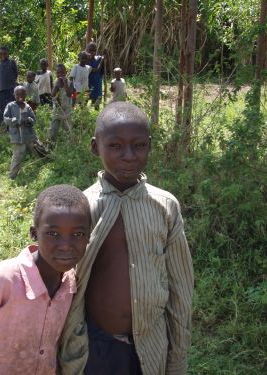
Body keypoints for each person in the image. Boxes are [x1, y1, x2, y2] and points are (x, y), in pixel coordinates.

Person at [58, 102, 194, 374]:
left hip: (150, 346)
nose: (129, 156)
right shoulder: (82, 208)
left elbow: (181, 288)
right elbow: (61, 282)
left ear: (149, 146)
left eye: (139, 145)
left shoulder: (165, 207)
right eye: (116, 146)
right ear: (96, 146)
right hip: (94, 346)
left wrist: (177, 357)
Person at [0, 184, 91, 375]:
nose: (66, 246)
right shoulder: (3, 279)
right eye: (53, 234)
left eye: (77, 234)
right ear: (34, 234)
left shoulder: (70, 285)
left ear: (89, 236)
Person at [3, 86, 37, 180]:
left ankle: (40, 169)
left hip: (29, 135)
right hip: (17, 137)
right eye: (18, 94)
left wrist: (29, 121)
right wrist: (17, 121)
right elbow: (6, 119)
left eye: (23, 94)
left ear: (26, 95)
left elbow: (33, 119)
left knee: (37, 150)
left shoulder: (27, 106)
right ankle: (12, 176)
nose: (20, 96)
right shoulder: (10, 106)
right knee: (17, 156)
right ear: (14, 95)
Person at [48, 64, 72, 144]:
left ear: (66, 73)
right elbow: (52, 94)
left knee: (68, 127)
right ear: (56, 74)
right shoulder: (56, 82)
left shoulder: (69, 82)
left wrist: (65, 83)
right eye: (58, 73)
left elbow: (69, 94)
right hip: (57, 109)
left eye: (62, 73)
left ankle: (69, 143)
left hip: (67, 109)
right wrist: (56, 86)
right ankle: (51, 142)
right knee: (54, 127)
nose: (60, 75)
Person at [0, 46, 18, 125]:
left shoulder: (11, 62)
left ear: (8, 54)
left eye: (5, 53)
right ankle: (6, 126)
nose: (3, 55)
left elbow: (15, 74)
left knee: (13, 107)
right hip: (2, 90)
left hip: (11, 89)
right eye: (1, 53)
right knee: (4, 108)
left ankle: (14, 124)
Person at [86, 42, 104, 110]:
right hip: (88, 84)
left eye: (94, 50)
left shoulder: (99, 58)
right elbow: (95, 70)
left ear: (96, 51)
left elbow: (103, 69)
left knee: (96, 103)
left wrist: (105, 56)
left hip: (97, 84)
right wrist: (102, 60)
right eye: (90, 50)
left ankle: (96, 117)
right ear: (87, 50)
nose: (92, 52)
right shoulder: (85, 60)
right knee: (85, 101)